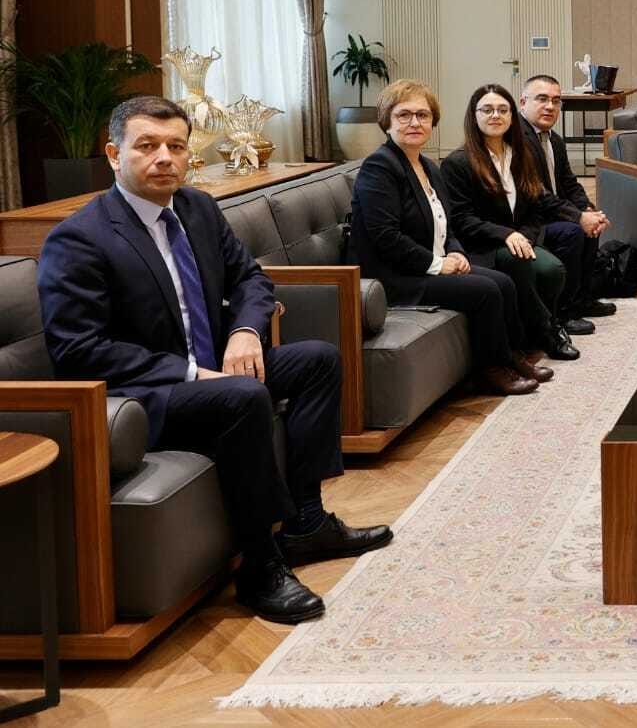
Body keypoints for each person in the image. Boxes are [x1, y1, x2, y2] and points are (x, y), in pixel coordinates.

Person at [36, 96, 392, 624]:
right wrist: (188, 372)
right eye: (147, 146)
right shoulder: (79, 238)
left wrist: (245, 331)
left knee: (317, 360)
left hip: (214, 369)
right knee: (242, 395)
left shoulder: (197, 209)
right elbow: (77, 349)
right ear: (113, 154)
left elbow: (250, 277)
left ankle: (308, 523)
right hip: (145, 394)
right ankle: (260, 566)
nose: (164, 158)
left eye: (175, 146)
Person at [350, 79, 545, 396]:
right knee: (485, 290)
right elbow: (385, 237)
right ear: (387, 121)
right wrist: (438, 264)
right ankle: (490, 371)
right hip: (392, 278)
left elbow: (448, 225)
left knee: (504, 282)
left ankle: (511, 355)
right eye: (404, 115)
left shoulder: (428, 166)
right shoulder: (379, 167)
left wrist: (456, 253)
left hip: (427, 264)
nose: (415, 122)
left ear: (433, 121)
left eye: (423, 115)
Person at [442, 83, 578, 366]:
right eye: (487, 110)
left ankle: (536, 331)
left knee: (552, 270)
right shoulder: (458, 162)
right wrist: (507, 235)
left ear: (511, 116)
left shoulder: (521, 155)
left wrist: (523, 236)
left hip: (518, 241)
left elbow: (535, 209)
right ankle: (548, 331)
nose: (495, 115)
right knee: (520, 262)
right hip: (482, 246)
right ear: (474, 116)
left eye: (502, 110)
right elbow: (461, 219)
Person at [517, 74, 617, 336]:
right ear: (523, 102)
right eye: (542, 99)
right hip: (528, 221)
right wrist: (577, 217)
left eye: (556, 101)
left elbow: (570, 183)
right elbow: (536, 195)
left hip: (552, 211)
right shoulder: (516, 140)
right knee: (573, 231)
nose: (550, 106)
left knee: (590, 223)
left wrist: (587, 209)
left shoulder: (554, 140)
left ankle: (582, 299)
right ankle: (562, 312)